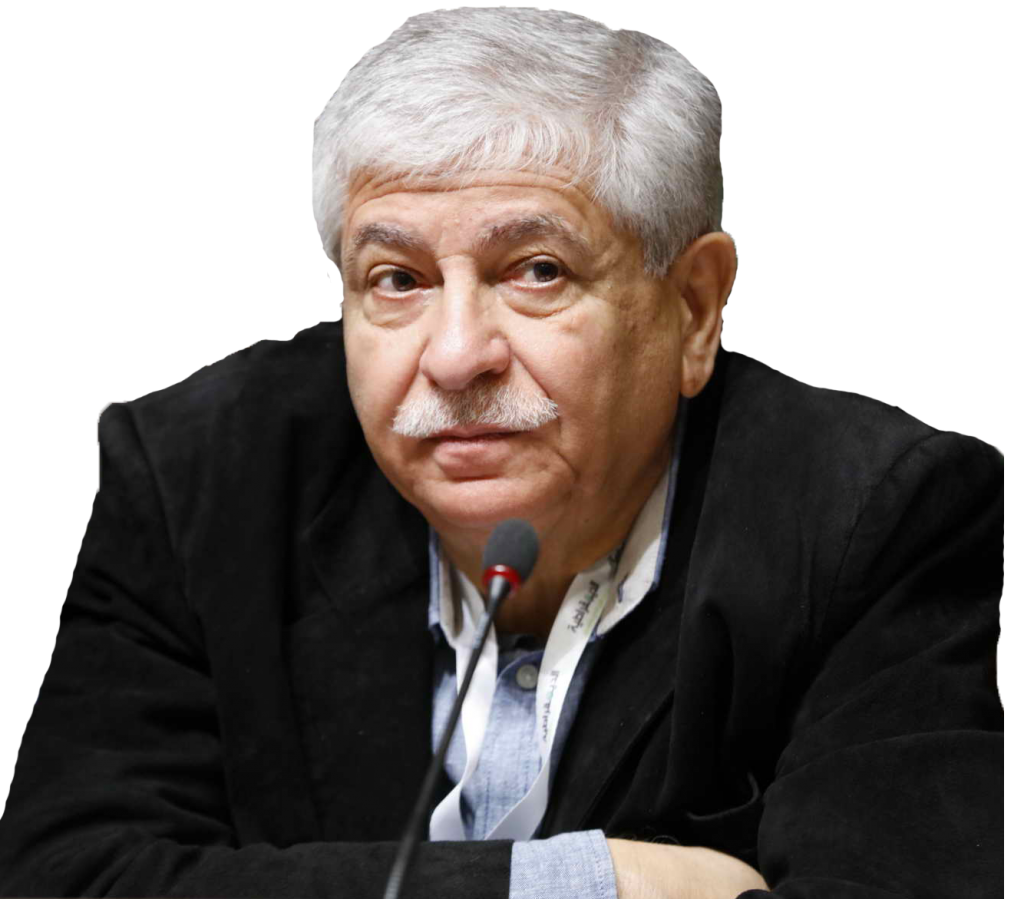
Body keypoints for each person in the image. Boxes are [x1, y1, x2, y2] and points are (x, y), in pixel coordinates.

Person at [0, 7, 1004, 898]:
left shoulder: (874, 517)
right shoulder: (199, 476)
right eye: (396, 279)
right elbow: (71, 876)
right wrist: (599, 884)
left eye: (536, 270)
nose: (454, 356)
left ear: (694, 310)